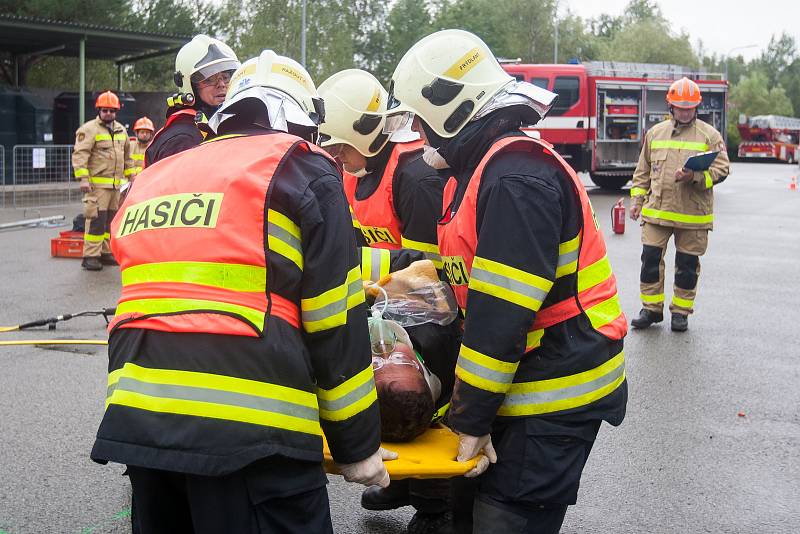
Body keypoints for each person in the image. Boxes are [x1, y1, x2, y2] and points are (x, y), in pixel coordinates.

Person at [91, 50, 393, 533]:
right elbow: (335, 322)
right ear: (305, 119)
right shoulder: (303, 169)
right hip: (253, 441)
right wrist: (357, 447)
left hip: (141, 426)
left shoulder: (157, 177)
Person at [386, 29, 628, 533]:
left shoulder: (513, 179)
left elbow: (499, 319)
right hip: (523, 381)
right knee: (465, 515)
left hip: (555, 393)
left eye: (421, 119)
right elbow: (457, 277)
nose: (419, 135)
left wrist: (470, 420)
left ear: (452, 109)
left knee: (503, 521)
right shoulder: (480, 172)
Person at [629, 77, 730, 332]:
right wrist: (636, 201)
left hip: (692, 215)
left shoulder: (710, 135)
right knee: (649, 261)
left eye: (690, 107)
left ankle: (681, 312)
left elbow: (722, 169)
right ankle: (651, 310)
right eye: (680, 107)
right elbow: (642, 172)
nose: (685, 112)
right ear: (670, 107)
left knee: (687, 266)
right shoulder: (655, 133)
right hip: (657, 212)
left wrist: (694, 176)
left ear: (697, 108)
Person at [318, 69, 443, 268]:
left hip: (415, 294)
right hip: (384, 292)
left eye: (341, 147)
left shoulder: (417, 180)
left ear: (365, 134)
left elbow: (427, 272)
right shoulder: (356, 172)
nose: (338, 157)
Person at [144, 34, 240, 166]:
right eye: (209, 79)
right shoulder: (183, 139)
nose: (221, 84)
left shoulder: (215, 125)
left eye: (226, 76)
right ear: (191, 86)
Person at [72, 90, 133, 271]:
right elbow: (80, 154)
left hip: (115, 185)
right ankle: (90, 256)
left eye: (112, 111)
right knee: (96, 220)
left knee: (110, 221)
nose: (108, 114)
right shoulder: (89, 129)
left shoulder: (121, 130)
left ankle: (105, 253)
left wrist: (132, 177)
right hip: (97, 186)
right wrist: (83, 178)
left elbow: (127, 156)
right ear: (99, 110)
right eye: (105, 110)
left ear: (116, 111)